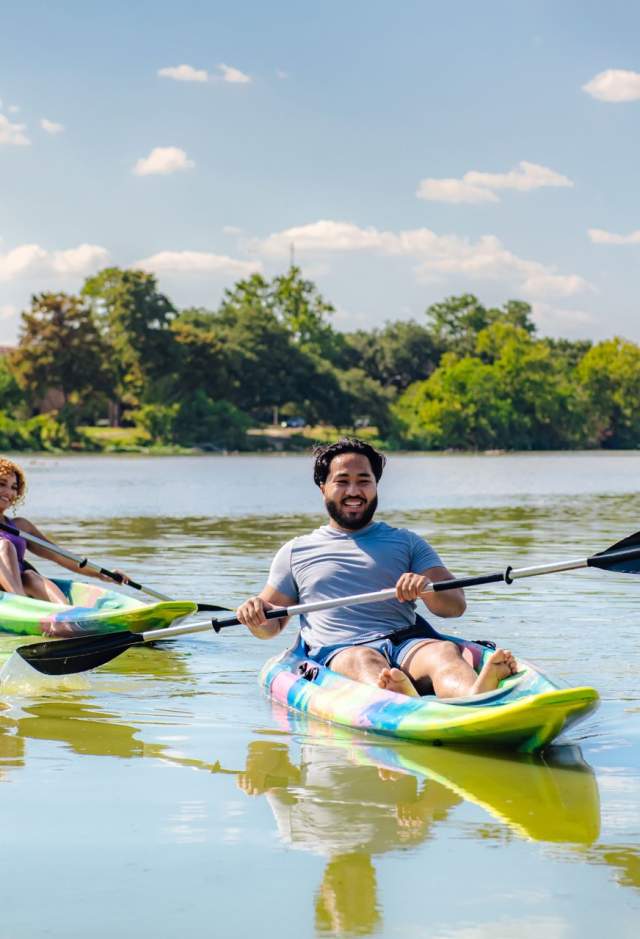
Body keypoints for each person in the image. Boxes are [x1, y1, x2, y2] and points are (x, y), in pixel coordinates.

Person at [236, 437, 516, 698]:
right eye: (342, 481)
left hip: (407, 642)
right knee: (364, 660)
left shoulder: (407, 543)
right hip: (340, 650)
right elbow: (270, 626)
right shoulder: (295, 551)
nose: (354, 491)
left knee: (442, 652)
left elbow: (455, 606)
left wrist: (426, 589)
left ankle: (475, 696)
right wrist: (255, 614)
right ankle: (399, 698)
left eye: (363, 480)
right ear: (323, 487)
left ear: (375, 485)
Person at [0, 457, 129, 604]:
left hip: (22, 585)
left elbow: (60, 556)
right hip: (6, 593)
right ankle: (20, 605)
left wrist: (102, 574)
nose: (8, 492)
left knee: (31, 575)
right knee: (4, 545)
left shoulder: (21, 526)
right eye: (2, 484)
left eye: (14, 487)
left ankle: (67, 616)